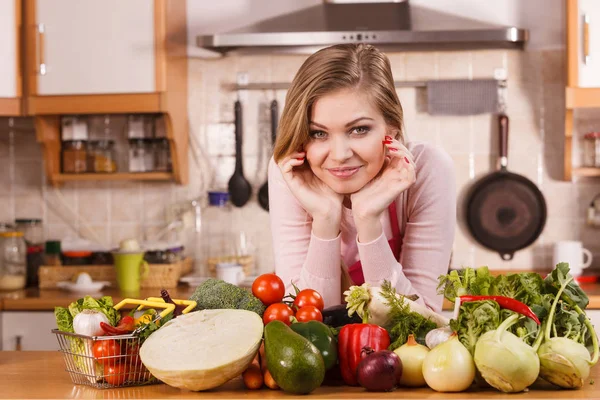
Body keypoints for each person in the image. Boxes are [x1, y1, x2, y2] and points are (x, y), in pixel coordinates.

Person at [268, 43, 456, 312]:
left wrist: (368, 222)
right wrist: (325, 220)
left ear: (392, 129)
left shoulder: (428, 169)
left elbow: (422, 321)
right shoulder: (290, 170)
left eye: (359, 129)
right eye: (318, 133)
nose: (340, 154)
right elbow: (305, 322)